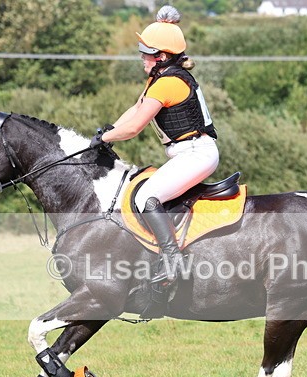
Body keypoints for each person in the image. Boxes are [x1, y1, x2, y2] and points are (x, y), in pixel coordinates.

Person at [91, 5, 218, 285]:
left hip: (197, 153)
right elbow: (135, 109)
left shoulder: (167, 84)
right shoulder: (159, 79)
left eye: (145, 53)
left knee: (144, 198)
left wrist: (104, 139)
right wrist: (109, 131)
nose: (141, 58)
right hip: (187, 153)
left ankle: (174, 262)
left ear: (161, 56)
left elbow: (136, 126)